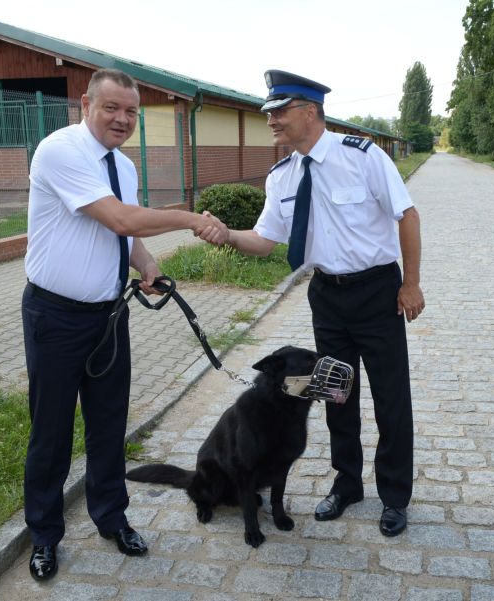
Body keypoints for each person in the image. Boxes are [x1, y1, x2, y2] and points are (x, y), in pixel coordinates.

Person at [22, 68, 225, 581]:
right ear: (85, 102)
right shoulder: (61, 151)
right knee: (51, 432)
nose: (122, 119)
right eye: (111, 107)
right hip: (56, 317)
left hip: (109, 316)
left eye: (131, 111)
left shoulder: (124, 166)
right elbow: (120, 219)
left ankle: (112, 518)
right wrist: (191, 219)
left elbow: (126, 235)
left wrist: (148, 267)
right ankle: (44, 535)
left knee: (110, 428)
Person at [203, 70, 424, 537]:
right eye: (268, 113)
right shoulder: (282, 175)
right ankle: (347, 485)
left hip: (377, 292)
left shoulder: (362, 158)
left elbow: (407, 214)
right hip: (326, 295)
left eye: (279, 112)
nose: (271, 121)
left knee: (391, 400)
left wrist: (411, 283)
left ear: (309, 111)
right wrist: (227, 235)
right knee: (335, 395)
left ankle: (395, 496)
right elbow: (265, 239)